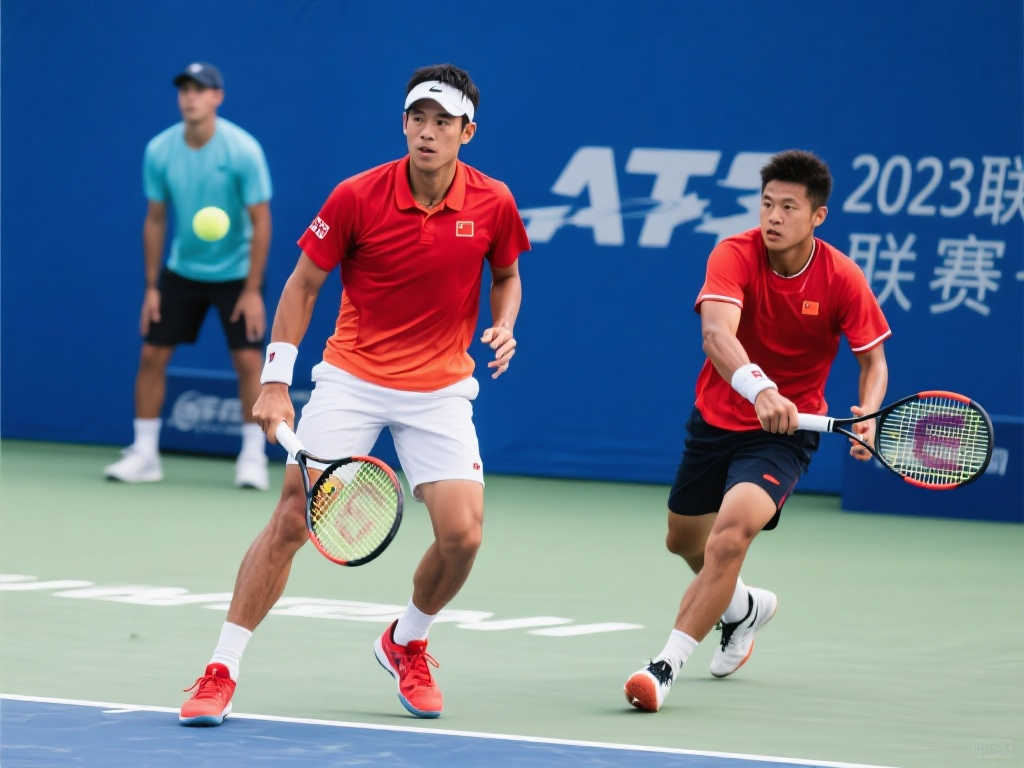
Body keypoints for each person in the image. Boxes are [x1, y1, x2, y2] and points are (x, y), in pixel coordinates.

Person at [178, 63, 529, 725]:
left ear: (467, 132)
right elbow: (303, 284)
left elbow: (507, 274)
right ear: (404, 123)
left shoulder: (494, 202)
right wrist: (275, 379)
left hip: (440, 388)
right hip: (354, 377)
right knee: (292, 519)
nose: (427, 132)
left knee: (463, 536)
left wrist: (505, 323)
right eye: (418, 118)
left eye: (443, 122)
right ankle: (221, 668)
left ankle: (407, 641)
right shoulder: (356, 196)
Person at [623, 150, 891, 712]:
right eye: (767, 203)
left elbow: (873, 360)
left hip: (784, 435)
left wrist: (867, 411)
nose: (773, 216)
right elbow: (717, 336)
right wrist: (761, 390)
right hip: (718, 418)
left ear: (817, 216)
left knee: (729, 538)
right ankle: (744, 608)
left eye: (788, 207)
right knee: (684, 541)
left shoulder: (842, 277)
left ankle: (664, 665)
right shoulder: (734, 253)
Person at [104, 62, 273, 490]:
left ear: (218, 97)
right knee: (151, 355)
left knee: (248, 361)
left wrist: (253, 289)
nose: (190, 97)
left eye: (200, 90)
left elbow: (262, 221)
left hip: (236, 272)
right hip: (183, 270)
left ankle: (252, 456)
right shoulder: (160, 150)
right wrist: (151, 287)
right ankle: (145, 454)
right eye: (185, 90)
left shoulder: (243, 150)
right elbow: (156, 218)